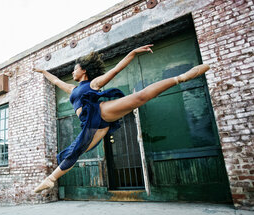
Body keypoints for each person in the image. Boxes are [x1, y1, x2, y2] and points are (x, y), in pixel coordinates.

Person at [32, 44, 210, 193]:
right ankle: (51, 179)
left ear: (84, 70)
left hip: (100, 112)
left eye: (75, 69)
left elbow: (116, 69)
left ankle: (182, 77)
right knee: (75, 151)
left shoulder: (93, 83)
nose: (72, 72)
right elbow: (55, 81)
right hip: (90, 125)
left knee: (139, 98)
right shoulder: (72, 89)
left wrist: (132, 53)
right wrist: (42, 71)